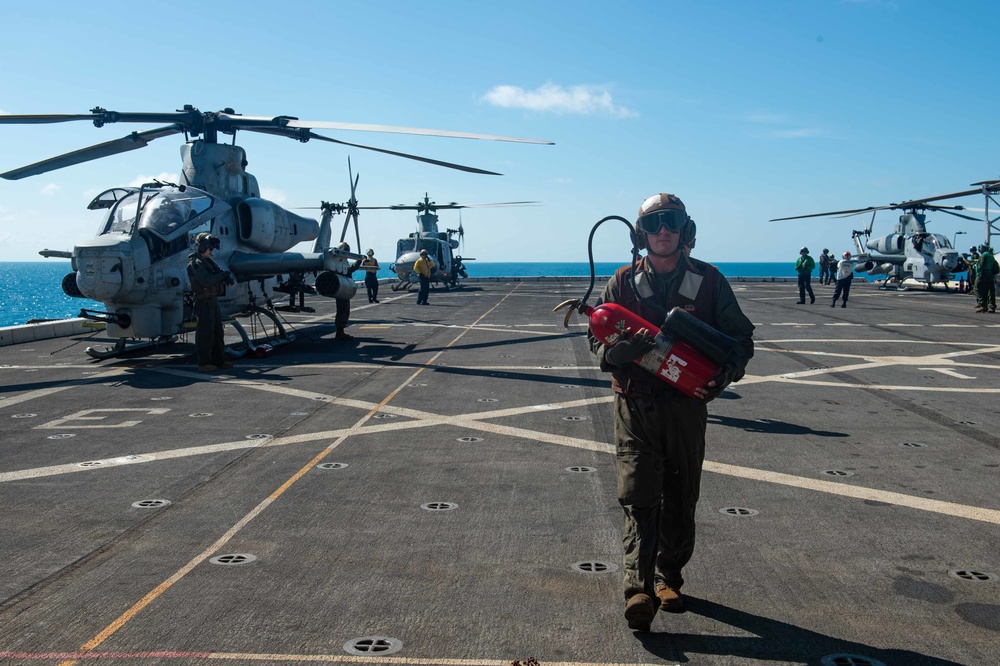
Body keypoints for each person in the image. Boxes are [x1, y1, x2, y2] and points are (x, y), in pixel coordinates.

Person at [588, 193, 754, 632]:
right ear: (642, 234)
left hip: (685, 407)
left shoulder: (710, 282)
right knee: (638, 494)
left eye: (672, 222)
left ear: (686, 230)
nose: (664, 230)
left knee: (681, 496)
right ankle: (638, 588)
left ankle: (668, 578)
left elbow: (740, 340)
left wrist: (727, 373)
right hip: (635, 404)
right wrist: (617, 353)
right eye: (655, 223)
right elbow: (596, 342)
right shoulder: (622, 282)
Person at [187, 232, 235, 372]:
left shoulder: (208, 261)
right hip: (203, 301)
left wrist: (225, 277)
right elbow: (206, 280)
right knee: (205, 332)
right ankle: (204, 362)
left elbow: (215, 274)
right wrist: (222, 275)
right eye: (210, 248)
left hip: (212, 299)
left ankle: (218, 360)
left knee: (217, 331)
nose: (211, 251)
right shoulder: (196, 263)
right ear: (202, 247)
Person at [335, 242, 361, 339]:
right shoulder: (341, 263)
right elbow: (349, 270)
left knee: (341, 310)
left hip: (339, 289)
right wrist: (358, 261)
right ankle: (340, 332)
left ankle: (340, 332)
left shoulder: (337, 262)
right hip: (342, 290)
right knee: (343, 311)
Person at [975, 245, 999, 313]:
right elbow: (996, 268)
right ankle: (991, 306)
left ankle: (982, 304)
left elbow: (981, 265)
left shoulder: (984, 255)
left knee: (977, 288)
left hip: (982, 274)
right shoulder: (991, 256)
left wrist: (980, 273)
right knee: (988, 291)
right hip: (990, 275)